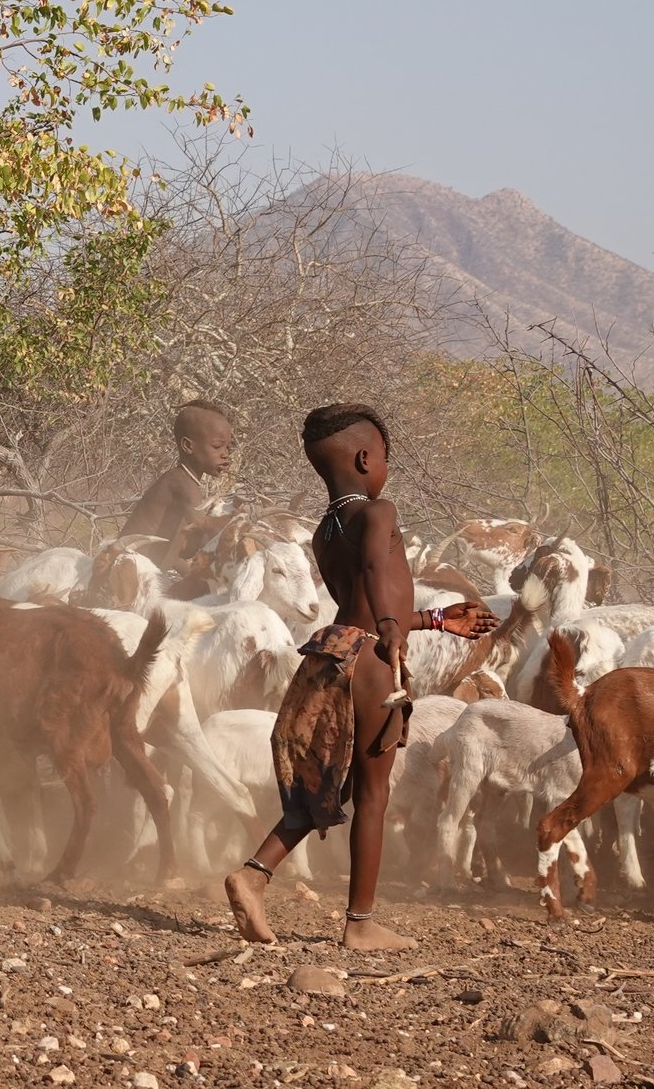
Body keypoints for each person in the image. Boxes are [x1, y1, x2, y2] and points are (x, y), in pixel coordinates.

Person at [223, 403, 495, 950]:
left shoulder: (325, 531)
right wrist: (396, 629)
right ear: (368, 458)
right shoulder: (379, 512)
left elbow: (362, 604)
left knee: (334, 782)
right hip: (370, 661)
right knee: (372, 794)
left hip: (336, 650)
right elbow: (375, 579)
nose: (387, 468)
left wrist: (437, 620)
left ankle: (253, 875)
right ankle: (360, 923)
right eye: (387, 457)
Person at [119, 399, 235, 567]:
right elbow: (210, 539)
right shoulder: (181, 483)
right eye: (217, 446)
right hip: (123, 574)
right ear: (188, 446)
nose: (225, 454)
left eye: (227, 448)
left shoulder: (184, 482)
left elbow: (170, 553)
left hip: (139, 572)